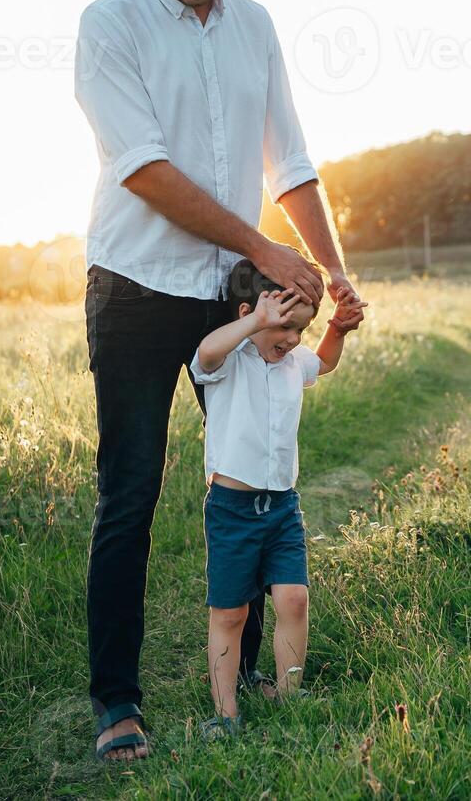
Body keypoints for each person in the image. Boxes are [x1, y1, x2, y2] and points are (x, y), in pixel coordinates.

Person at [74, 0, 365, 762]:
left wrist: (336, 273)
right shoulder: (108, 23)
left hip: (228, 293)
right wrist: (268, 249)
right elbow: (146, 170)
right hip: (132, 286)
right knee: (131, 492)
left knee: (254, 477)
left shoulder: (257, 26)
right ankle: (117, 703)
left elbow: (294, 160)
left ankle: (259, 674)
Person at [188, 260, 365, 740]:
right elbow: (204, 353)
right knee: (231, 612)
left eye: (300, 328)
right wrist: (254, 324)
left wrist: (336, 328)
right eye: (284, 325)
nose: (291, 338)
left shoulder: (292, 362)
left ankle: (289, 698)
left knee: (294, 599)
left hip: (283, 508)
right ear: (253, 313)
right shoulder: (231, 360)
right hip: (232, 510)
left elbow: (323, 361)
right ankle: (225, 715)